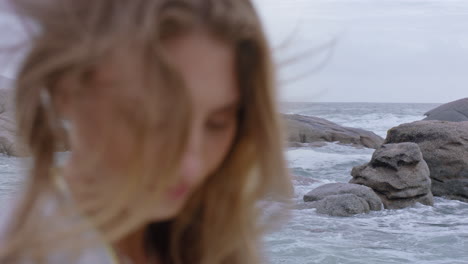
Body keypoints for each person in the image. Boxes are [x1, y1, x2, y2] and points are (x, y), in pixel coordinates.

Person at [0, 0, 293, 263]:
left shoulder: (215, 244)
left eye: (218, 123)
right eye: (154, 120)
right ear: (65, 90)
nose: (190, 166)